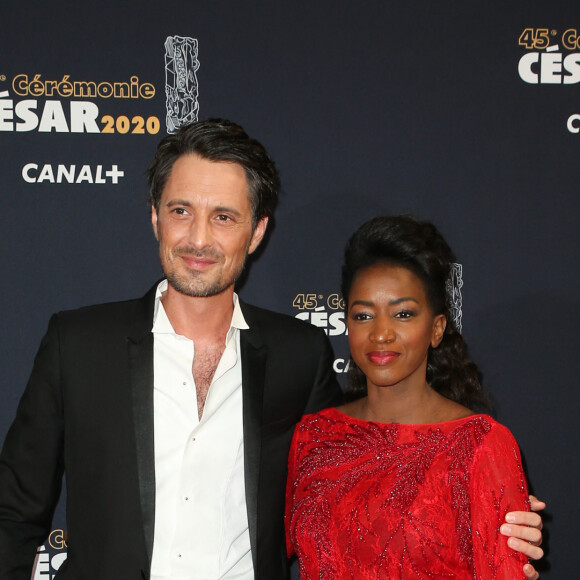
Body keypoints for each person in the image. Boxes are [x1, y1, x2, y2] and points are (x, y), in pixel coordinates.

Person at [0, 121, 541, 580]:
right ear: (154, 217)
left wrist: (492, 508)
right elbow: (13, 512)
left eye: (224, 217)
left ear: (256, 233)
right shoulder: (78, 344)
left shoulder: (297, 354)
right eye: (181, 210)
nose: (198, 239)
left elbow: (363, 474)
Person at [286, 215, 545, 579]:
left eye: (403, 314)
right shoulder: (313, 437)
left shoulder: (480, 445)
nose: (380, 334)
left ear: (436, 328)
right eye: (363, 316)